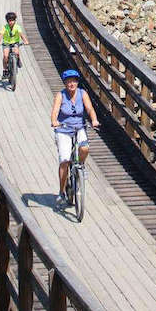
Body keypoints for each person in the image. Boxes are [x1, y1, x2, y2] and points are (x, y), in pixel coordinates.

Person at [50, 68, 99, 207]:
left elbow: (89, 108)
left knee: (84, 148)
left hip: (79, 127)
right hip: (63, 129)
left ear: (77, 82)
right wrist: (54, 121)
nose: (71, 84)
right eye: (68, 81)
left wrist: (94, 120)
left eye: (74, 81)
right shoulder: (60, 95)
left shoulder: (83, 93)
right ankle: (61, 192)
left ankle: (81, 166)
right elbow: (55, 111)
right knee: (65, 160)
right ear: (65, 83)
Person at [0, 11, 28, 78]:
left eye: (12, 20)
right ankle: (5, 70)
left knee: (16, 52)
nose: (11, 22)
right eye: (9, 21)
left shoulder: (17, 27)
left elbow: (21, 34)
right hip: (6, 43)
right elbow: (1, 34)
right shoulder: (5, 27)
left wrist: (25, 41)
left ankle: (18, 60)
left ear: (15, 20)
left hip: (15, 43)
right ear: (7, 21)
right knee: (5, 56)